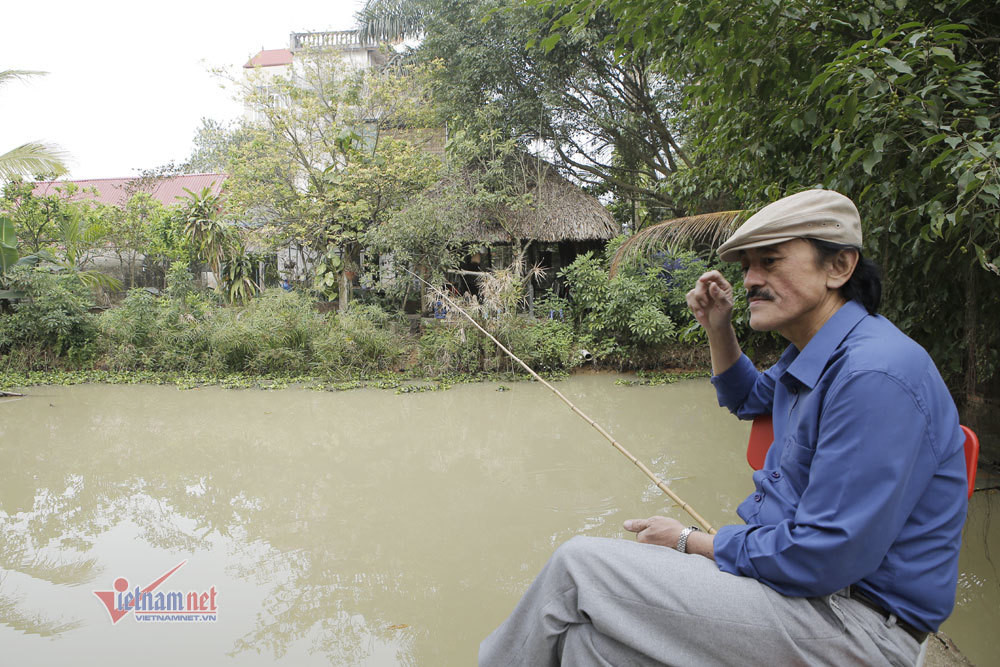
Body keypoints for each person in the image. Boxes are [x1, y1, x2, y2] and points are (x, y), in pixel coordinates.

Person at [479, 189, 968, 667]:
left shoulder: (874, 374)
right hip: (806, 598)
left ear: (839, 267)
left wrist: (689, 540)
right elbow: (747, 398)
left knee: (576, 568)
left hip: (853, 625)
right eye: (747, 267)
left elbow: (825, 554)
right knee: (589, 646)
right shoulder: (816, 352)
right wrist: (718, 325)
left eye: (770, 262)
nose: (751, 279)